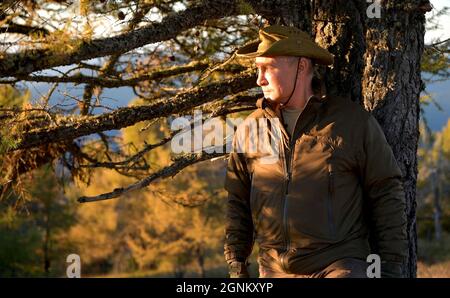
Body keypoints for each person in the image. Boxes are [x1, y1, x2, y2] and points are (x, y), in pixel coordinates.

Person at [224, 25, 407, 278]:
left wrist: (391, 267)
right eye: (258, 68)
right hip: (273, 271)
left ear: (301, 67)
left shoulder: (351, 123)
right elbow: (237, 201)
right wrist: (236, 264)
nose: (259, 79)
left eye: (268, 67)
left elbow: (386, 190)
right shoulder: (250, 129)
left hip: (340, 266)